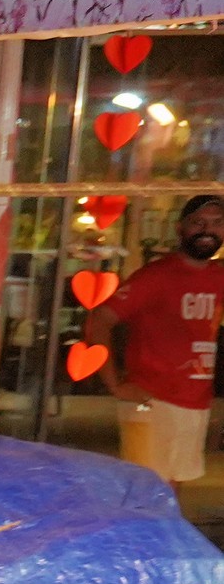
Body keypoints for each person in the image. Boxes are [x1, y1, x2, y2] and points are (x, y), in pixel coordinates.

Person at [87, 192, 224, 482]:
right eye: (198, 222)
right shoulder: (156, 276)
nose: (207, 230)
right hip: (152, 400)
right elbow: (100, 320)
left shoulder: (217, 277)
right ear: (180, 228)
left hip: (195, 401)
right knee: (147, 490)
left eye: (216, 223)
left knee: (173, 488)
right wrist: (114, 384)